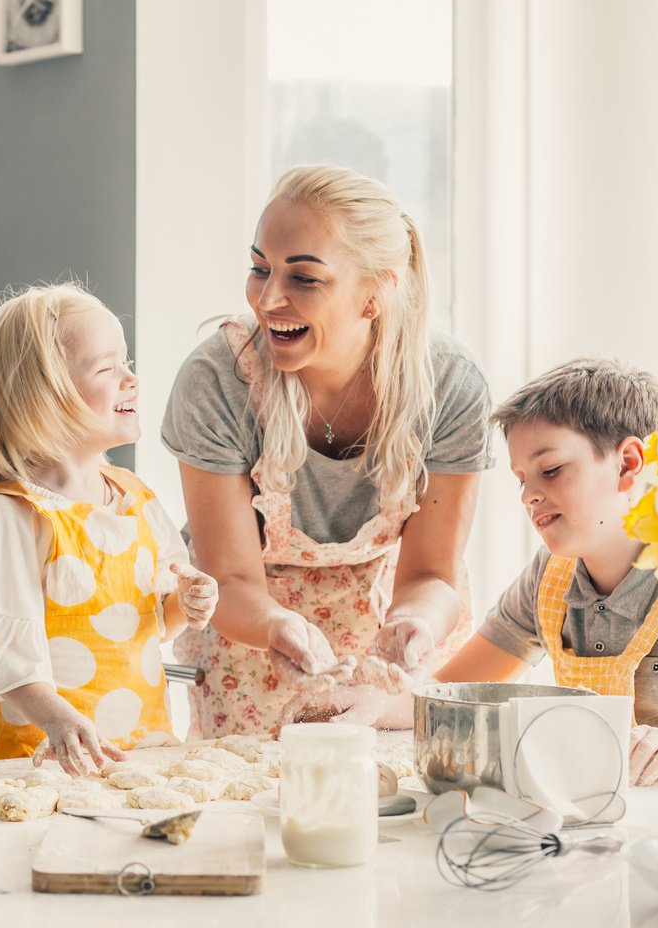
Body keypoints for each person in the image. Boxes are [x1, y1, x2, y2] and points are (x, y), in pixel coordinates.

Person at [161, 164, 494, 737]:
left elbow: (432, 573)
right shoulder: (218, 380)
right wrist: (274, 626)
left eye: (304, 279)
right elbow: (230, 576)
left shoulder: (449, 385)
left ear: (375, 294)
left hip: (388, 650)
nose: (268, 300)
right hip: (252, 643)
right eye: (259, 269)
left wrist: (415, 622)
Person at [285, 358, 658, 786]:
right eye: (521, 480)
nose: (529, 496)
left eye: (550, 470)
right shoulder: (551, 577)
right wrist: (375, 704)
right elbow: (455, 688)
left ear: (628, 464)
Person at [0, 283, 219, 777]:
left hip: (140, 760)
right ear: (43, 398)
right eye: (107, 368)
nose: (131, 379)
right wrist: (60, 722)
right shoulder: (15, 514)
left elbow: (151, 626)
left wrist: (186, 605)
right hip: (43, 766)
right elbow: (5, 661)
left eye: (126, 361)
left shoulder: (136, 498)